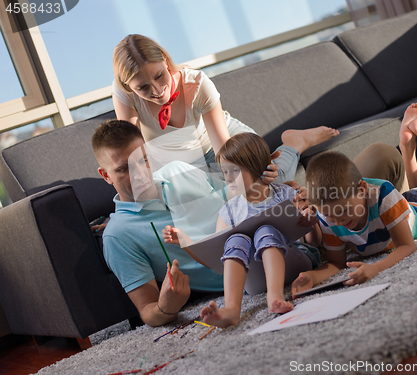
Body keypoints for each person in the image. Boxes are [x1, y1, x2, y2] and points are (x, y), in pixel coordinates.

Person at [291, 104, 417, 297]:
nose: (338, 221)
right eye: (329, 216)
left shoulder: (382, 193)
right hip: (401, 208)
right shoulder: (329, 215)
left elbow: (406, 247)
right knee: (411, 194)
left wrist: (375, 268)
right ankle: (407, 146)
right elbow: (336, 264)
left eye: (343, 211)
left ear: (362, 189)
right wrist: (313, 276)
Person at [112, 34, 339, 183]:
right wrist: (128, 211)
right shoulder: (125, 94)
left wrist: (245, 180)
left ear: (164, 59)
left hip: (225, 141)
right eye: (143, 87)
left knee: (264, 186)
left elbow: (223, 149)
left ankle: (293, 143)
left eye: (159, 75)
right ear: (128, 87)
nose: (157, 90)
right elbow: (132, 155)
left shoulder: (198, 84)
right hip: (185, 160)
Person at [162, 133, 322, 328]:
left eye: (234, 171)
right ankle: (231, 310)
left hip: (295, 265)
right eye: (225, 172)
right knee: (235, 239)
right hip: (255, 281)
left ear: (256, 167)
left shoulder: (287, 194)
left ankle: (275, 297)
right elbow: (219, 262)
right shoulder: (228, 211)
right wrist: (185, 242)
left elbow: (315, 242)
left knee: (265, 231)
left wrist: (311, 220)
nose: (228, 178)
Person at [93, 119, 233, 327]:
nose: (140, 175)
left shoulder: (179, 169)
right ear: (106, 175)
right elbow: (148, 311)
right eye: (124, 169)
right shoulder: (118, 236)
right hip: (246, 276)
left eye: (143, 160)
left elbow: (237, 198)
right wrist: (165, 307)